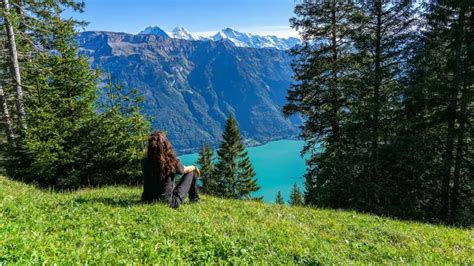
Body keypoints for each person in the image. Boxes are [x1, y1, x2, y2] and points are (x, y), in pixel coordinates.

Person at [141, 131, 201, 208]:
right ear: (165, 146)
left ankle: (195, 200)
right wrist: (195, 168)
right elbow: (184, 170)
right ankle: (195, 200)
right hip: (168, 203)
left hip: (146, 200)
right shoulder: (171, 162)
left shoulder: (144, 162)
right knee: (191, 173)